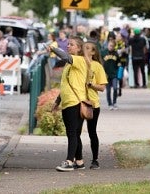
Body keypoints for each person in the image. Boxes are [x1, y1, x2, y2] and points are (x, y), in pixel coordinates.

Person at [49, 35, 92, 172]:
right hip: (67, 102)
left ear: (79, 48)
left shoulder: (79, 60)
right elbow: (66, 85)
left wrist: (53, 49)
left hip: (75, 102)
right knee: (73, 133)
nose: (68, 46)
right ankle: (79, 161)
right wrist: (57, 101)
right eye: (68, 44)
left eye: (71, 44)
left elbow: (65, 56)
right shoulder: (69, 64)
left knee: (72, 133)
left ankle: (69, 161)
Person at [83, 40, 107, 169]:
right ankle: (77, 159)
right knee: (75, 132)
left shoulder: (97, 66)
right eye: (84, 47)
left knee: (92, 131)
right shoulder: (79, 63)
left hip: (92, 104)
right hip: (78, 101)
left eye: (88, 48)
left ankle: (95, 159)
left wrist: (91, 85)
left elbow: (102, 87)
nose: (84, 49)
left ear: (93, 52)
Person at [101, 32, 121, 110]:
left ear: (114, 47)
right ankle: (110, 104)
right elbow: (100, 62)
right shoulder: (103, 53)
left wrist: (119, 70)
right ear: (108, 45)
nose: (111, 47)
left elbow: (119, 63)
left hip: (114, 74)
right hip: (106, 74)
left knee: (115, 88)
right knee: (108, 90)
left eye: (112, 46)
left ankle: (114, 102)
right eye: (110, 45)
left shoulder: (116, 54)